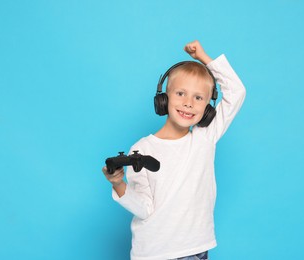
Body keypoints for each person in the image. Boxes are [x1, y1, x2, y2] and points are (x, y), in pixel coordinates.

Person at [102, 40, 246, 260]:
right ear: (163, 99)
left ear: (208, 108)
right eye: (180, 93)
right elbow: (144, 208)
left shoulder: (204, 138)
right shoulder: (142, 149)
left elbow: (237, 91)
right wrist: (118, 184)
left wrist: (205, 59)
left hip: (194, 250)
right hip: (152, 253)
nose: (188, 103)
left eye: (198, 97)